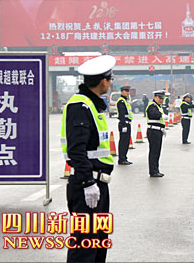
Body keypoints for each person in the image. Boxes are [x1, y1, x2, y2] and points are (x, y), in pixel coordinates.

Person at [61, 55, 115, 263]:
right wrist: (87, 182)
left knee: (98, 244)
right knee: (85, 246)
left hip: (98, 184)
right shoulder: (80, 106)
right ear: (104, 81)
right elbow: (76, 150)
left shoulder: (91, 105)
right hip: (87, 185)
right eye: (110, 80)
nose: (110, 84)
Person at [146, 90, 168, 177]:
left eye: (162, 98)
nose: (161, 100)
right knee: (154, 152)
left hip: (158, 131)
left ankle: (156, 169)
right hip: (153, 131)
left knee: (157, 152)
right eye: (160, 98)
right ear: (155, 97)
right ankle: (153, 171)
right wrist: (161, 115)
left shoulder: (158, 106)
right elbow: (153, 113)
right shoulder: (152, 105)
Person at [116, 85, 133, 165]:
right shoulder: (121, 101)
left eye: (128, 91)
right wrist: (123, 125)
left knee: (126, 142)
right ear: (122, 91)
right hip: (124, 124)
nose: (128, 93)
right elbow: (122, 114)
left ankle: (124, 157)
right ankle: (121, 159)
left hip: (127, 123)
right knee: (123, 142)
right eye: (126, 91)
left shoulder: (126, 101)